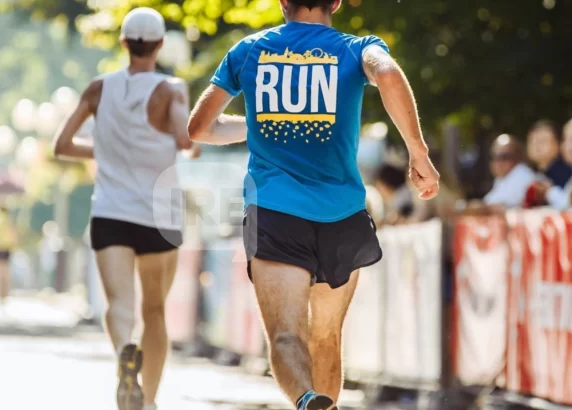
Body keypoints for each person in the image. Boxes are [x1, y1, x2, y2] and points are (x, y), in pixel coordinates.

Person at [187, 0, 440, 408]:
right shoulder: (357, 49)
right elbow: (389, 72)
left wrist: (269, 122)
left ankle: (307, 401)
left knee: (287, 335)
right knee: (326, 336)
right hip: (343, 215)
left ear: (283, 1)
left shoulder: (249, 50)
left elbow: (200, 128)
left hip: (275, 212)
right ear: (336, 2)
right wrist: (418, 151)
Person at [52, 7, 201, 410]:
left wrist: (105, 149)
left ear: (123, 44)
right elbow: (186, 141)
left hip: (111, 213)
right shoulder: (171, 88)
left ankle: (123, 350)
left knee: (119, 304)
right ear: (160, 45)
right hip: (159, 214)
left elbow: (61, 145)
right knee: (154, 310)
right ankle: (148, 402)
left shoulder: (99, 88)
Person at [483, 134, 536, 208]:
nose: (498, 162)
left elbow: (501, 205)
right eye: (494, 157)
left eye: (504, 157)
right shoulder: (501, 179)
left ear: (518, 157)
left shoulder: (522, 174)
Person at [532, 118, 572, 209]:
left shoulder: (564, 172)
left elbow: (566, 206)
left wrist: (549, 191)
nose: (537, 146)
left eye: (542, 141)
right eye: (565, 140)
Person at [527, 120, 572, 188]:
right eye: (532, 141)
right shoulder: (534, 173)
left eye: (542, 141)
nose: (536, 146)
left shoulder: (566, 173)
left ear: (557, 145)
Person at [0, 206, 17, 307]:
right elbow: (14, 236)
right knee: (5, 275)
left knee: (0, 274)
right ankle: (3, 295)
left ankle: (1, 295)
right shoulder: (9, 221)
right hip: (6, 249)